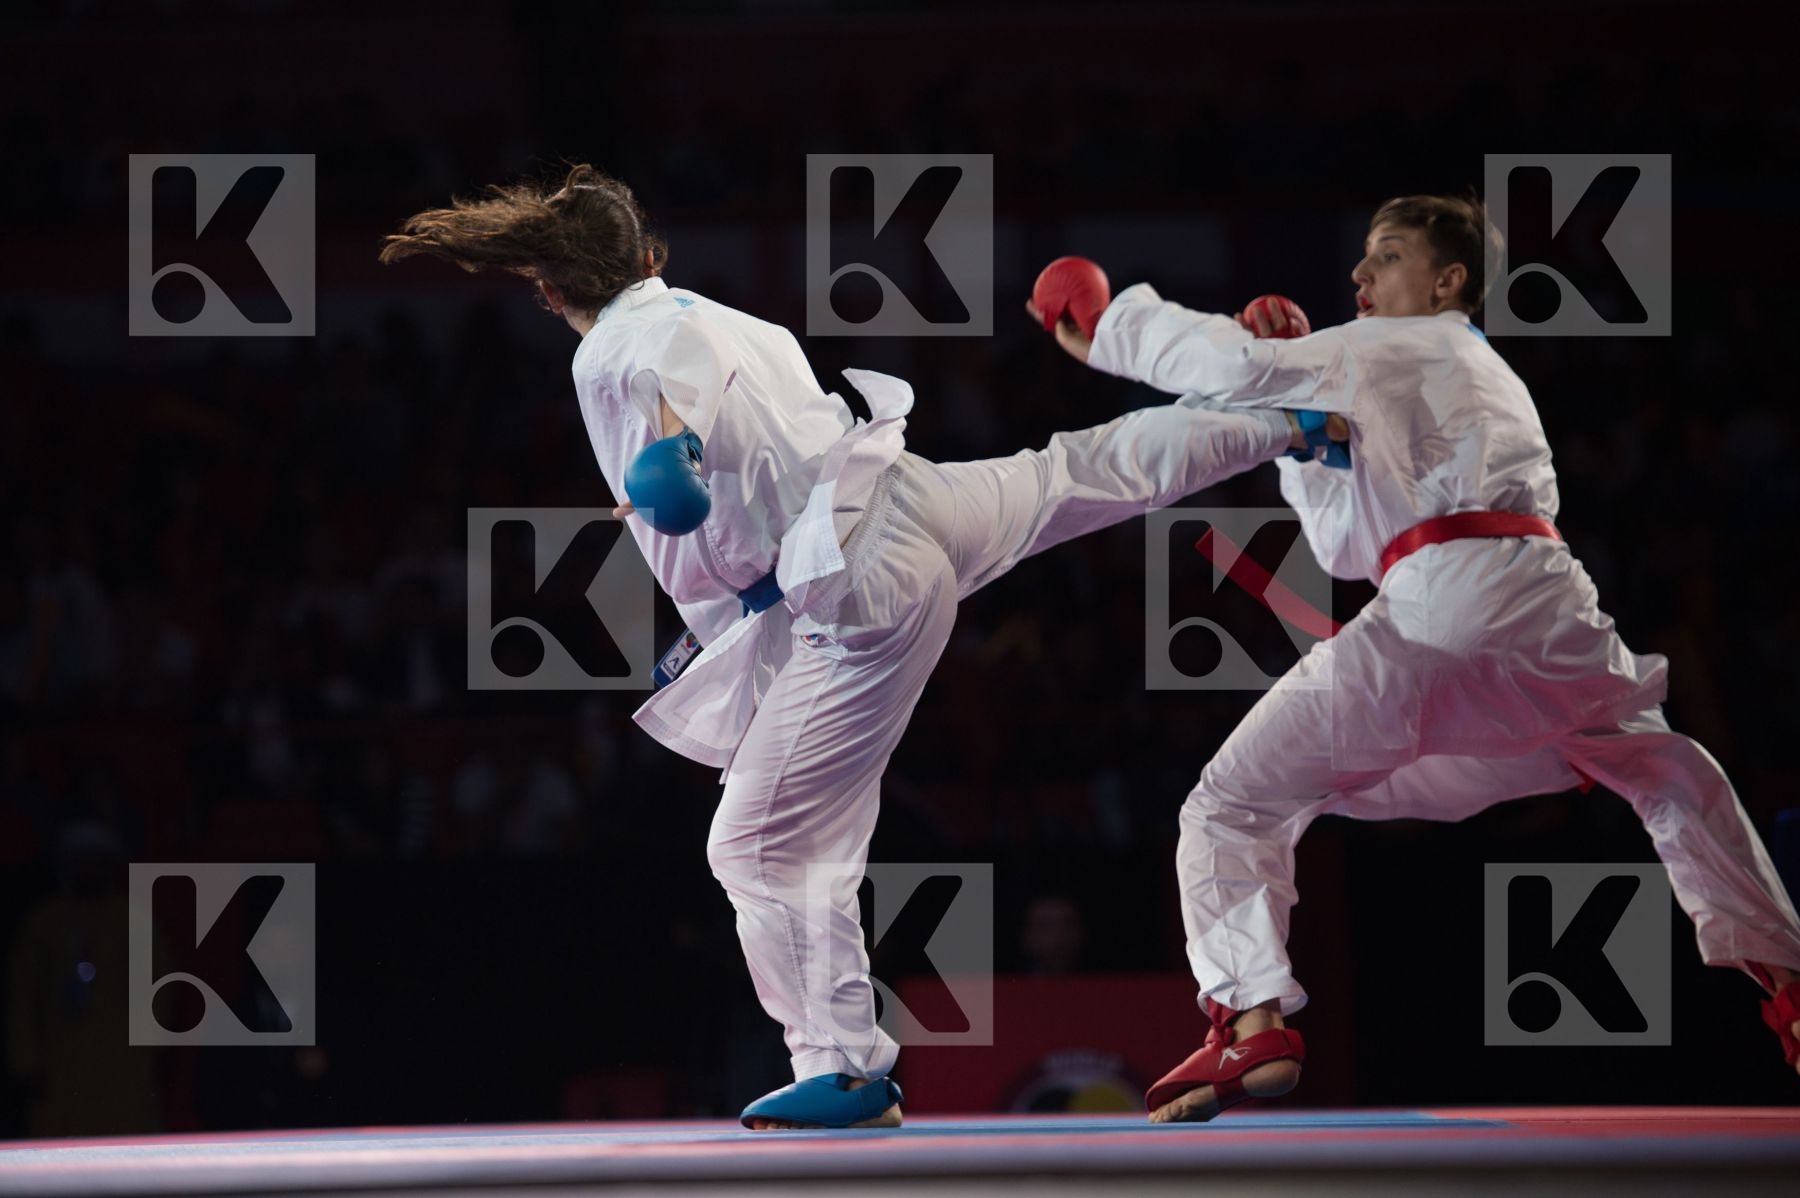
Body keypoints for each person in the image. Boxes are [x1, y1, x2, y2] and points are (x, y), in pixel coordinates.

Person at [379, 164, 1340, 1130]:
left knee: (757, 841)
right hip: (902, 498)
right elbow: (742, 499)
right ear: (648, 255)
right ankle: (1282, 422)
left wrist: (668, 454)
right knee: (1070, 472)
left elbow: (669, 412)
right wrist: (708, 621)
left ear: (548, 289)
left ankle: (842, 1064)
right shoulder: (718, 313)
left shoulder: (622, 347)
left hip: (860, 589)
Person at [1039, 192, 1800, 1122]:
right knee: (1665, 768)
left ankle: (1249, 1021)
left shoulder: (1411, 341)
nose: (1361, 275)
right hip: (1547, 614)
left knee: (1230, 804)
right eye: (1361, 257)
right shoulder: (1458, 373)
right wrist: (1308, 442)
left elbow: (1230, 364)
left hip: (1442, 613)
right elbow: (1347, 551)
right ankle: (1788, 981)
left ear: (1447, 282)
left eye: (1386, 256)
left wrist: (1108, 324)